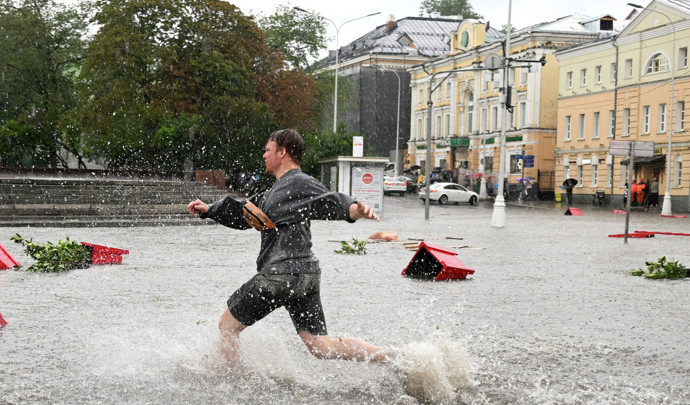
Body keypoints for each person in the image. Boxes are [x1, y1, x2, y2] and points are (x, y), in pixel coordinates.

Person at [187, 129, 392, 366]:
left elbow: (331, 201)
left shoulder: (299, 181)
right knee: (320, 345)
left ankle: (230, 383)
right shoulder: (273, 191)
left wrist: (356, 209)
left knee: (227, 326)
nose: (264, 155)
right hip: (305, 278)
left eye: (268, 150)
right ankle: (393, 357)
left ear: (282, 152)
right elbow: (245, 215)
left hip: (280, 275)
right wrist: (210, 209)